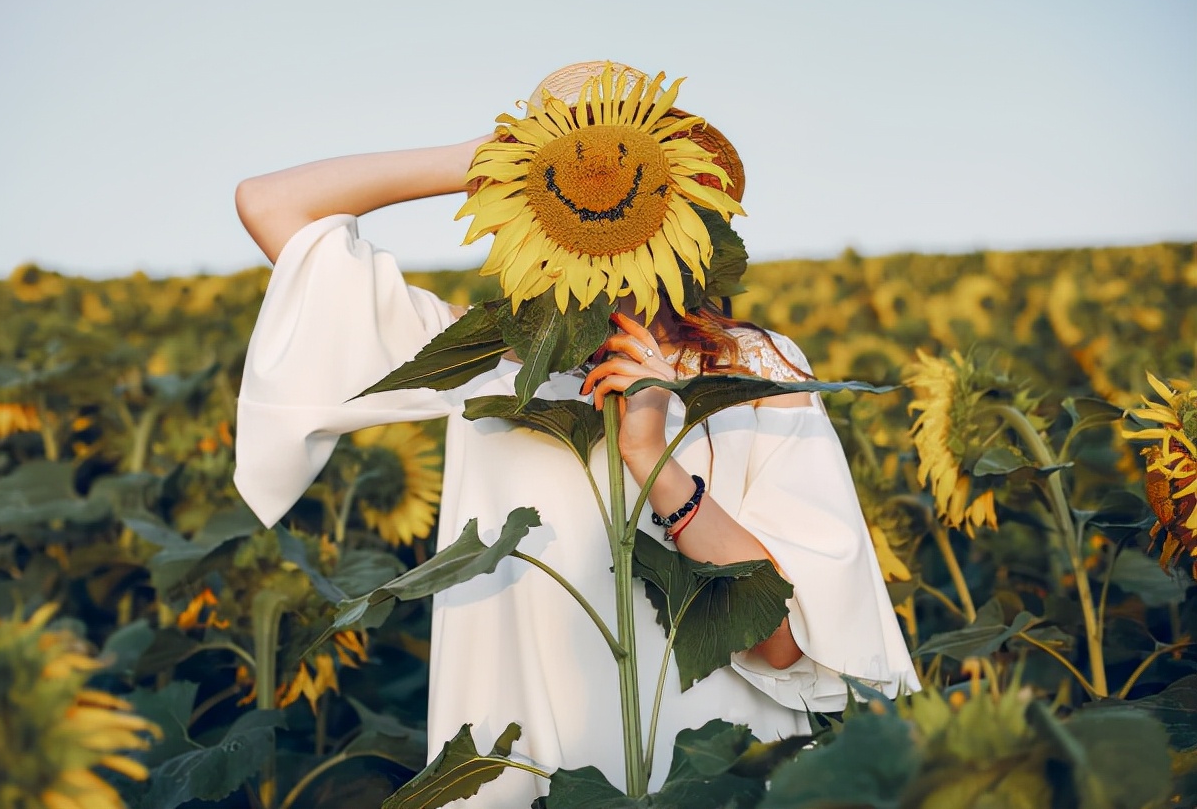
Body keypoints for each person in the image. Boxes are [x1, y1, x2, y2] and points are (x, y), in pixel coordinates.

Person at [233, 61, 918, 805]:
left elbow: (790, 645)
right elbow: (270, 204)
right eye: (571, 177)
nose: (601, 197)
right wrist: (504, 160)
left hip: (721, 786)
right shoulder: (486, 365)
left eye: (628, 172)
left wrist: (652, 458)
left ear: (683, 206)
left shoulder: (755, 369)